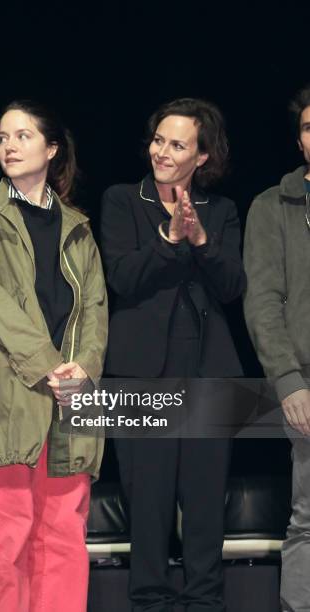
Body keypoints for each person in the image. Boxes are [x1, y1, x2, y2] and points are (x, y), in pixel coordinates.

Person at [0, 100, 108, 612]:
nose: (9, 146)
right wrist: (47, 363)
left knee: (65, 539)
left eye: (22, 136)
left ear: (51, 149)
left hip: (72, 399)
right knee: (10, 540)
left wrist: (83, 368)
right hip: (9, 393)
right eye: (2, 137)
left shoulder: (79, 227)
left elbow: (94, 308)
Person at [101, 98, 246, 612]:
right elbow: (122, 277)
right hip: (139, 373)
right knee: (149, 507)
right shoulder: (123, 200)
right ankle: (150, 602)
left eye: (177, 144)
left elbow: (232, 287)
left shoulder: (223, 211)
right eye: (158, 140)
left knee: (206, 511)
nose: (162, 151)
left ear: (202, 157)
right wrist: (168, 237)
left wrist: (201, 240)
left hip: (209, 372)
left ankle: (206, 603)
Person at [244, 85, 310, 612]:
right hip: (307, 382)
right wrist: (288, 382)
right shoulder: (273, 205)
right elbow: (264, 302)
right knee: (309, 520)